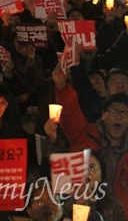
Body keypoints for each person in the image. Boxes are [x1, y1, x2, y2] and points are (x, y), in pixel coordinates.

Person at [52, 65, 128, 214]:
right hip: (79, 213)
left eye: (124, 113)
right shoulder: (85, 135)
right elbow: (71, 113)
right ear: (103, 115)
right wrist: (61, 87)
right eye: (113, 111)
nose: (118, 116)